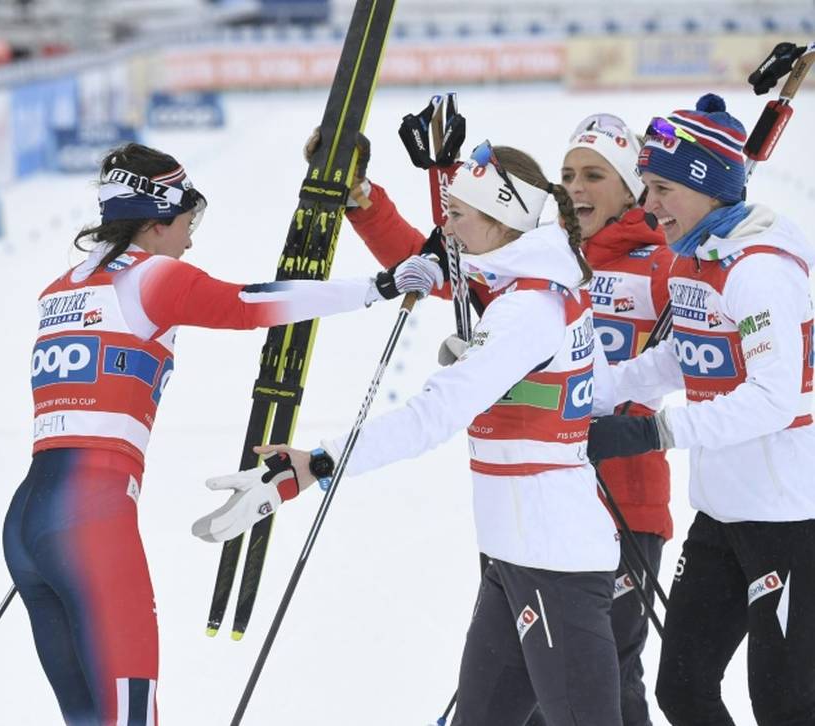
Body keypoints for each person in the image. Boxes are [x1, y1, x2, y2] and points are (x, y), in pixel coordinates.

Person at [195, 142, 625, 724]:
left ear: (500, 220)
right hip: (514, 554)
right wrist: (489, 368)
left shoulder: (527, 307)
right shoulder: (523, 287)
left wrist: (317, 465)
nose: (445, 225)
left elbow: (431, 418)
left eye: (456, 214)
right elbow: (577, 387)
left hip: (556, 559)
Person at [5, 143, 392, 725]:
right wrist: (378, 288)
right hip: (91, 519)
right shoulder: (152, 276)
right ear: (157, 219)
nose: (190, 238)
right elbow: (251, 305)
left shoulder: (61, 287)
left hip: (29, 522)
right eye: (189, 220)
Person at [331, 113, 676, 725]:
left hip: (622, 490)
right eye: (568, 173)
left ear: (633, 189)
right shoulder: (535, 267)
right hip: (527, 501)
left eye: (595, 174)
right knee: (536, 699)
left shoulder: (658, 263)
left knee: (611, 686)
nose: (576, 185)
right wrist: (368, 198)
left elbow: (711, 327)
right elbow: (448, 261)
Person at [586, 94, 815, 726]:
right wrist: (583, 394)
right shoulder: (698, 254)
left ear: (707, 189)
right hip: (720, 517)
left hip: (791, 524)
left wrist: (652, 430)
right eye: (646, 187)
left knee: (786, 706)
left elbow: (772, 398)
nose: (648, 204)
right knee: (682, 692)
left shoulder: (759, 271)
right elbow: (677, 358)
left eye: (661, 188)